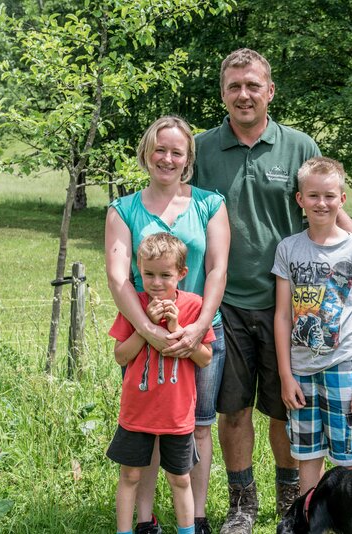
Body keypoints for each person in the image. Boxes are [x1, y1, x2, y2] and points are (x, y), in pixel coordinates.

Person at [191, 48, 352, 534]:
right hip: (227, 303)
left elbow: (334, 213)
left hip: (297, 307)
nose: (244, 94)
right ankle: (241, 503)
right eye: (234, 86)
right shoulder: (202, 149)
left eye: (253, 85)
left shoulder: (298, 145)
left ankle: (291, 503)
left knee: (286, 408)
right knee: (233, 410)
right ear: (223, 93)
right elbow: (178, 208)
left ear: (270, 91)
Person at [106, 115, 230, 534]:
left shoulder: (210, 204)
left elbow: (217, 269)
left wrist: (196, 329)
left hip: (200, 331)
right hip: (144, 331)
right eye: (160, 149)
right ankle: (144, 521)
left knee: (197, 425)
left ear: (188, 158)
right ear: (146, 152)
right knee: (150, 425)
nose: (167, 158)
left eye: (177, 151)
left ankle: (194, 518)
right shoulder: (123, 209)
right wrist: (148, 330)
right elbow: (119, 277)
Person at [272, 156, 352, 493]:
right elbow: (283, 316)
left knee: (350, 459)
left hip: (343, 367)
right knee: (308, 455)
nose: (322, 203)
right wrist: (286, 376)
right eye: (313, 195)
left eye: (330, 196)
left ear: (342, 200)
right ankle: (310, 520)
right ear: (300, 200)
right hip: (302, 371)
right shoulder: (289, 249)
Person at [107, 232, 216, 534]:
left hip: (177, 415)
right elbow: (120, 356)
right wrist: (146, 327)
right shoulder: (134, 306)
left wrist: (176, 327)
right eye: (148, 274)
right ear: (138, 270)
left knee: (180, 478)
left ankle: (187, 530)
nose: (156, 283)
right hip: (136, 412)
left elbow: (205, 358)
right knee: (130, 476)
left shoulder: (194, 306)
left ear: (182, 273)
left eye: (165, 275)